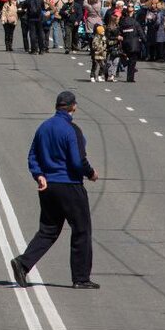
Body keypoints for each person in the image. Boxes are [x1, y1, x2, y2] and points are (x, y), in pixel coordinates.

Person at [10, 91, 101, 290]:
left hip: (48, 186)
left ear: (57, 106)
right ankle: (81, 278)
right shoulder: (72, 130)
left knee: (48, 230)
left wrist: (38, 174)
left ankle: (23, 263)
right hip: (70, 185)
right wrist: (91, 173)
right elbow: (78, 161)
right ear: (73, 107)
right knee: (81, 230)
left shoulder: (44, 127)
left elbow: (32, 155)